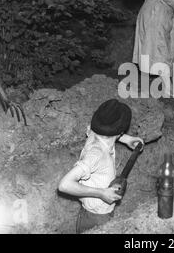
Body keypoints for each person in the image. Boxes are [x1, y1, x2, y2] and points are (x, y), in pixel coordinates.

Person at [58, 99, 144, 233]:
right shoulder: (97, 154)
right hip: (95, 218)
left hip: (92, 214)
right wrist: (102, 193)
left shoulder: (92, 132)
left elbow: (106, 133)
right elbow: (64, 185)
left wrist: (127, 139)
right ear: (120, 131)